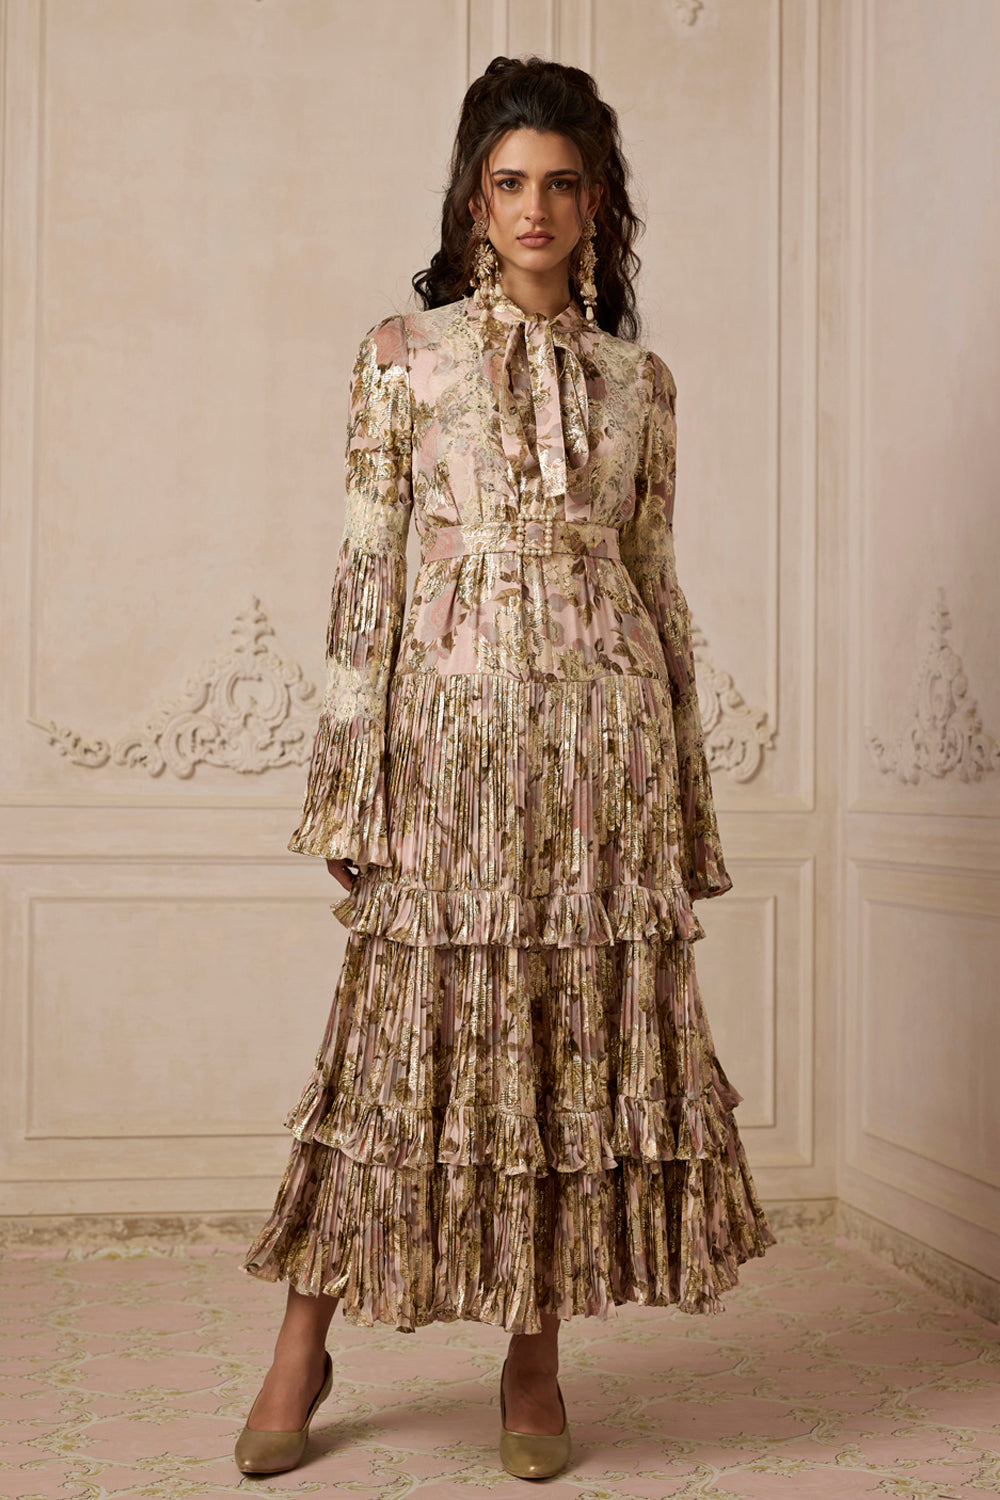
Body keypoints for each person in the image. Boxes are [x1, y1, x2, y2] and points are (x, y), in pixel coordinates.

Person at [234, 53, 775, 1483]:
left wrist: (686, 806)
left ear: (599, 206)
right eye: (510, 183)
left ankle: (533, 1359)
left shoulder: (641, 384)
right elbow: (367, 584)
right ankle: (300, 1348)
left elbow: (658, 589)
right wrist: (351, 780)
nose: (536, 208)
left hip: (604, 765)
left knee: (560, 1053)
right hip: (450, 761)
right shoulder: (401, 360)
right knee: (391, 1046)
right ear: (474, 202)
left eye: (563, 185)